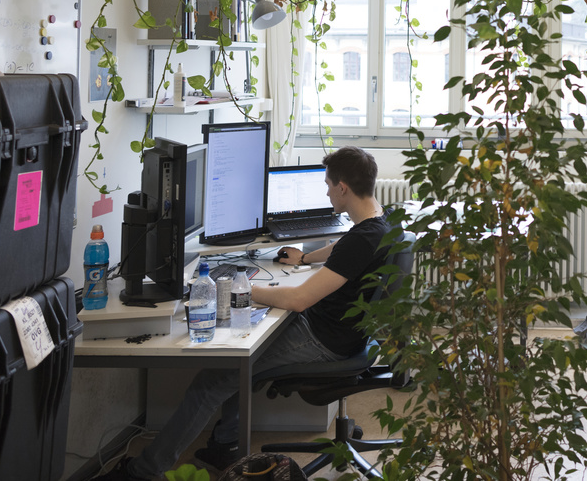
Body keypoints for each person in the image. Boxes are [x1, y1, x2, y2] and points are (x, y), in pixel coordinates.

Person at [96, 146, 391, 480]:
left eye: (327, 184)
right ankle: (225, 444)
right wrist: (306, 259)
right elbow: (343, 247)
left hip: (325, 339)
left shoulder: (361, 239)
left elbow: (298, 300)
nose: (325, 191)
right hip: (340, 332)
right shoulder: (378, 222)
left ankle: (143, 472)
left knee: (211, 381)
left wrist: (244, 290)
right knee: (239, 360)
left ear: (342, 188)